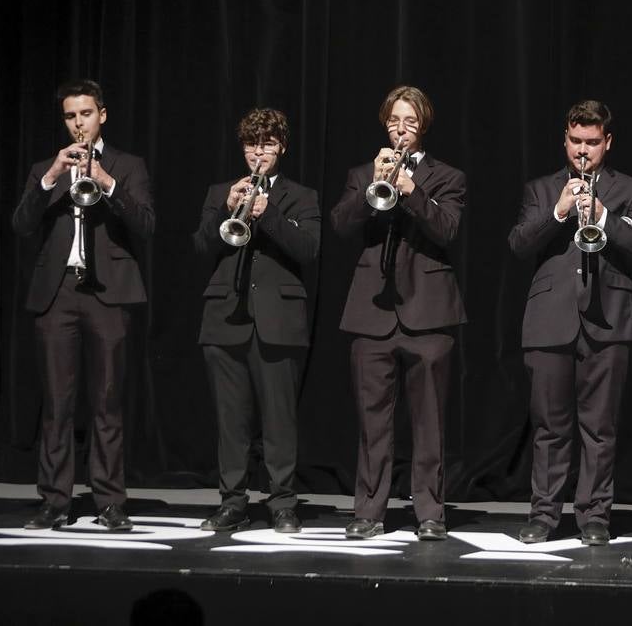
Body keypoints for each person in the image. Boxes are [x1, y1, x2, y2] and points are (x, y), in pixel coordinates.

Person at [508, 101, 632, 546]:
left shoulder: (630, 189)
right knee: (549, 426)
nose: (583, 151)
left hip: (609, 320)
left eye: (592, 143)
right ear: (565, 140)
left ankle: (594, 516)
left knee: (600, 427)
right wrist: (558, 212)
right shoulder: (541, 188)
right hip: (549, 320)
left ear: (607, 143)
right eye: (576, 141)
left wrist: (605, 217)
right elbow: (518, 244)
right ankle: (544, 515)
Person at [11, 79, 155, 531]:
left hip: (108, 294)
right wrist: (52, 176)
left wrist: (108, 183)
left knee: (107, 402)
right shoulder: (45, 168)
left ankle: (110, 502)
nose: (79, 124)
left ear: (102, 115)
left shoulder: (128, 165)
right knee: (57, 402)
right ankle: (55, 501)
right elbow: (21, 224)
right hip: (60, 294)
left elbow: (147, 225)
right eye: (71, 116)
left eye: (86, 114)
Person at [330, 86, 466, 541]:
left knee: (429, 422)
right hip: (372, 312)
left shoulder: (447, 176)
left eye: (409, 122)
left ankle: (430, 513)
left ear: (422, 125)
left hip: (429, 314)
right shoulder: (363, 174)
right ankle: (368, 511)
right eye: (394, 121)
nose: (400, 129)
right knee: (373, 423)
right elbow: (341, 225)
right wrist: (374, 184)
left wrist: (411, 190)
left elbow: (447, 229)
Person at [194, 108, 321, 534]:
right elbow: (201, 248)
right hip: (224, 318)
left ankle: (283, 502)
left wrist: (266, 214)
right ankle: (232, 502)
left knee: (279, 419)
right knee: (231, 421)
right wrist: (226, 210)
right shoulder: (221, 191)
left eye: (267, 144)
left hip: (277, 320)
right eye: (252, 144)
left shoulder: (301, 196)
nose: (258, 153)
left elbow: (307, 250)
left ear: (281, 146)